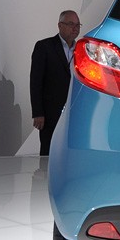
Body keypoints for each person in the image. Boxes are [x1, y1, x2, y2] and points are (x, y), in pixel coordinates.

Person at [30, 9, 81, 156]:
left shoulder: (81, 50)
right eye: (71, 24)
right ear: (60, 25)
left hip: (75, 111)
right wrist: (38, 112)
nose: (75, 28)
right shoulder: (44, 47)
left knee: (72, 152)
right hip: (50, 112)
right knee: (49, 151)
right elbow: (35, 82)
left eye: (77, 25)